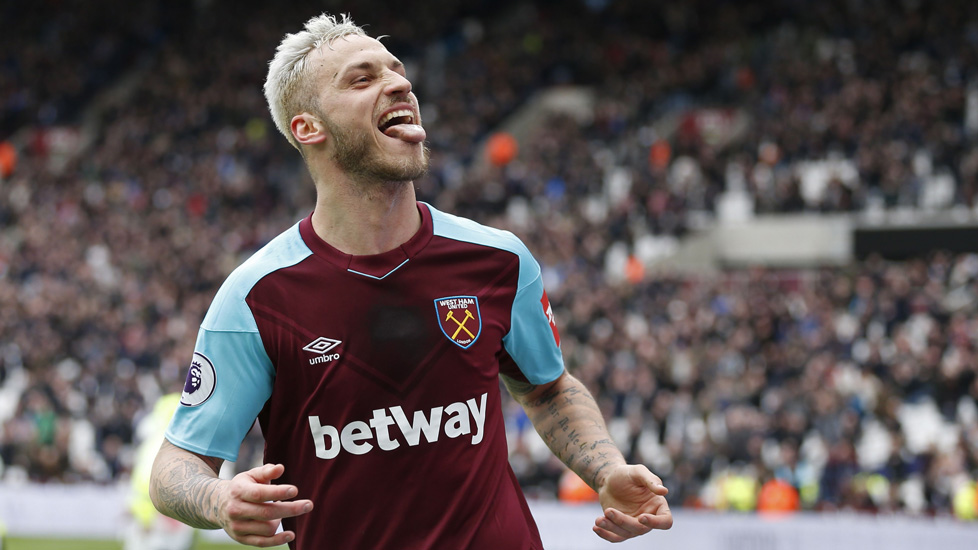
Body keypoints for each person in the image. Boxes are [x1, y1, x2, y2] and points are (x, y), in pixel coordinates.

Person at [148, 13, 672, 549]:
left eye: (398, 73)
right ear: (309, 127)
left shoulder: (498, 259)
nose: (400, 84)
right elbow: (175, 466)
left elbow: (547, 388)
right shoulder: (256, 297)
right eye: (362, 78)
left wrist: (606, 469)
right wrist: (219, 500)